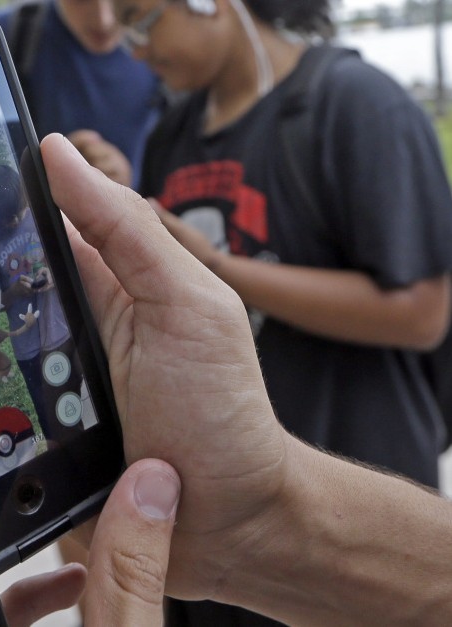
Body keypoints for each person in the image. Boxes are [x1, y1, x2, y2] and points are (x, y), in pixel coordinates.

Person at [0, 134, 452, 626]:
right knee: (48, 415)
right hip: (34, 348)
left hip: (59, 339)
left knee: (68, 420)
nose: (5, 220)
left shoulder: (28, 235)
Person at [119, 0, 452, 622]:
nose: (132, 48)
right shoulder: (171, 132)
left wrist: (220, 271)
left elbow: (422, 311)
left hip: (358, 510)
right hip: (223, 539)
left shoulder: (357, 106)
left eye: (139, 19)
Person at [0, 0, 163, 188]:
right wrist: (51, 165)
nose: (104, 20)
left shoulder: (167, 38)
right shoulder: (6, 35)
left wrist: (128, 184)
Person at [0, 164, 83, 442]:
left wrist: (52, 273)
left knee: (81, 401)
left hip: (64, 330)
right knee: (52, 419)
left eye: (17, 213)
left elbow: (73, 257)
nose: (13, 221)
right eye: (5, 219)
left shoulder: (40, 216)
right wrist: (11, 293)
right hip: (28, 348)